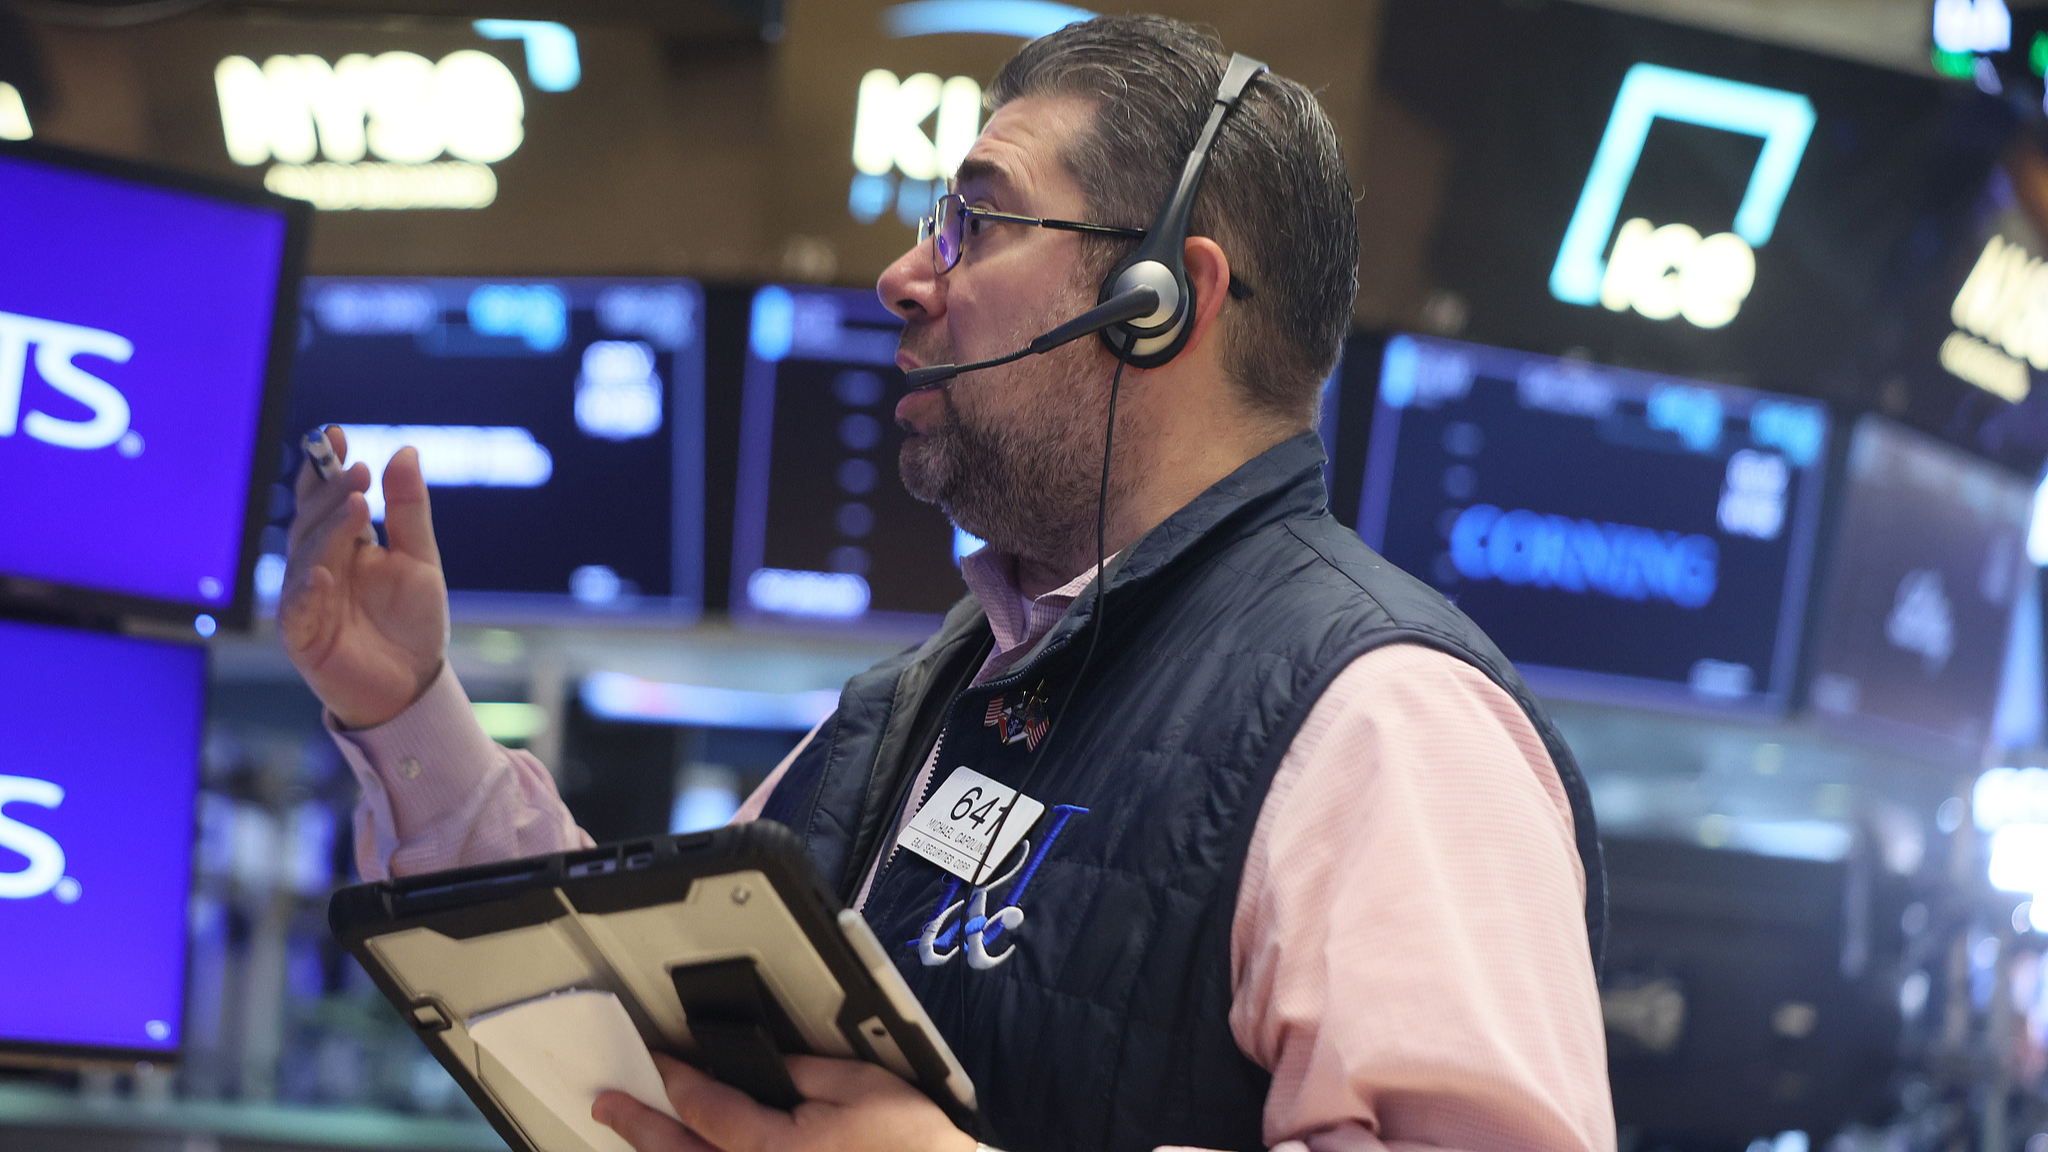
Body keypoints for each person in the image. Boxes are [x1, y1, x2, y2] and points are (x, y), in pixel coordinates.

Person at [281, 15, 1613, 1152]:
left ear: (1162, 300)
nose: (903, 277)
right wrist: (409, 712)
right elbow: (638, 1020)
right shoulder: (916, 709)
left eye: (975, 220)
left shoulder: (1389, 724)